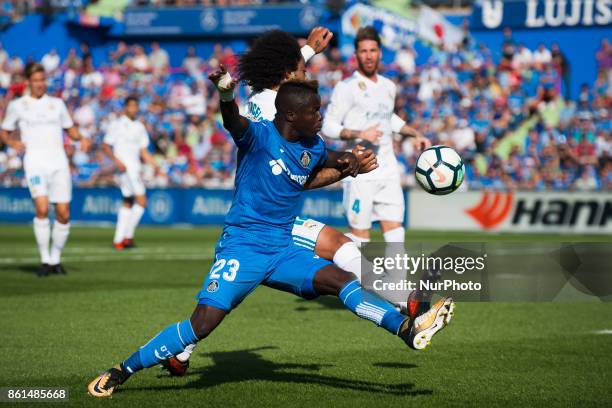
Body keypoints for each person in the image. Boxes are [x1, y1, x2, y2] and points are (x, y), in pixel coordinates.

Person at [86, 73, 454, 399]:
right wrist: (226, 95)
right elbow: (233, 122)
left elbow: (333, 156)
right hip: (243, 247)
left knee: (341, 279)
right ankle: (123, 370)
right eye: (315, 111)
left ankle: (404, 328)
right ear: (292, 116)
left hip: (282, 248)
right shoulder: (259, 137)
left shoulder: (312, 146)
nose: (321, 115)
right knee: (201, 325)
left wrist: (353, 162)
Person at [164, 28, 428, 376]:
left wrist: (306, 51)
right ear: (286, 76)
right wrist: (347, 168)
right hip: (263, 217)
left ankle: (181, 349)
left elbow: (283, 77)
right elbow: (294, 175)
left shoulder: (270, 98)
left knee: (229, 297)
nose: (307, 76)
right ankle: (406, 301)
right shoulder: (274, 109)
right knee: (338, 244)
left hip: (265, 215)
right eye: (301, 71)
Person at [322, 26, 429, 244]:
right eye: (363, 51)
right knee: (360, 237)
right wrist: (361, 133)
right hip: (360, 171)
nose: (368, 56)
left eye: (372, 50)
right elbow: (328, 126)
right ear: (355, 55)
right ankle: (358, 278)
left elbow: (388, 118)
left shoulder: (388, 86)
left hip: (388, 170)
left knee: (396, 233)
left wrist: (414, 133)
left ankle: (396, 280)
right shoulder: (346, 87)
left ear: (380, 53)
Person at [0, 63, 89, 276]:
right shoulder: (18, 105)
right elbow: (5, 131)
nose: (40, 84)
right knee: (41, 208)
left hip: (58, 161)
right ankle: (45, 260)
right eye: (36, 80)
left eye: (43, 80)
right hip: (35, 162)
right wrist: (13, 144)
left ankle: (56, 259)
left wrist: (81, 138)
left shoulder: (57, 104)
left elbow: (70, 129)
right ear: (28, 82)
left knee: (63, 213)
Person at [103, 96, 158, 250]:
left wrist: (155, 165)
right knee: (142, 201)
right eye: (131, 106)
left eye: (136, 106)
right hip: (125, 169)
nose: (134, 109)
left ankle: (118, 239)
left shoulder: (139, 127)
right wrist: (116, 161)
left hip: (135, 168)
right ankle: (127, 236)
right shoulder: (116, 124)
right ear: (125, 107)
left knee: (127, 202)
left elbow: (143, 150)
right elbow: (106, 145)